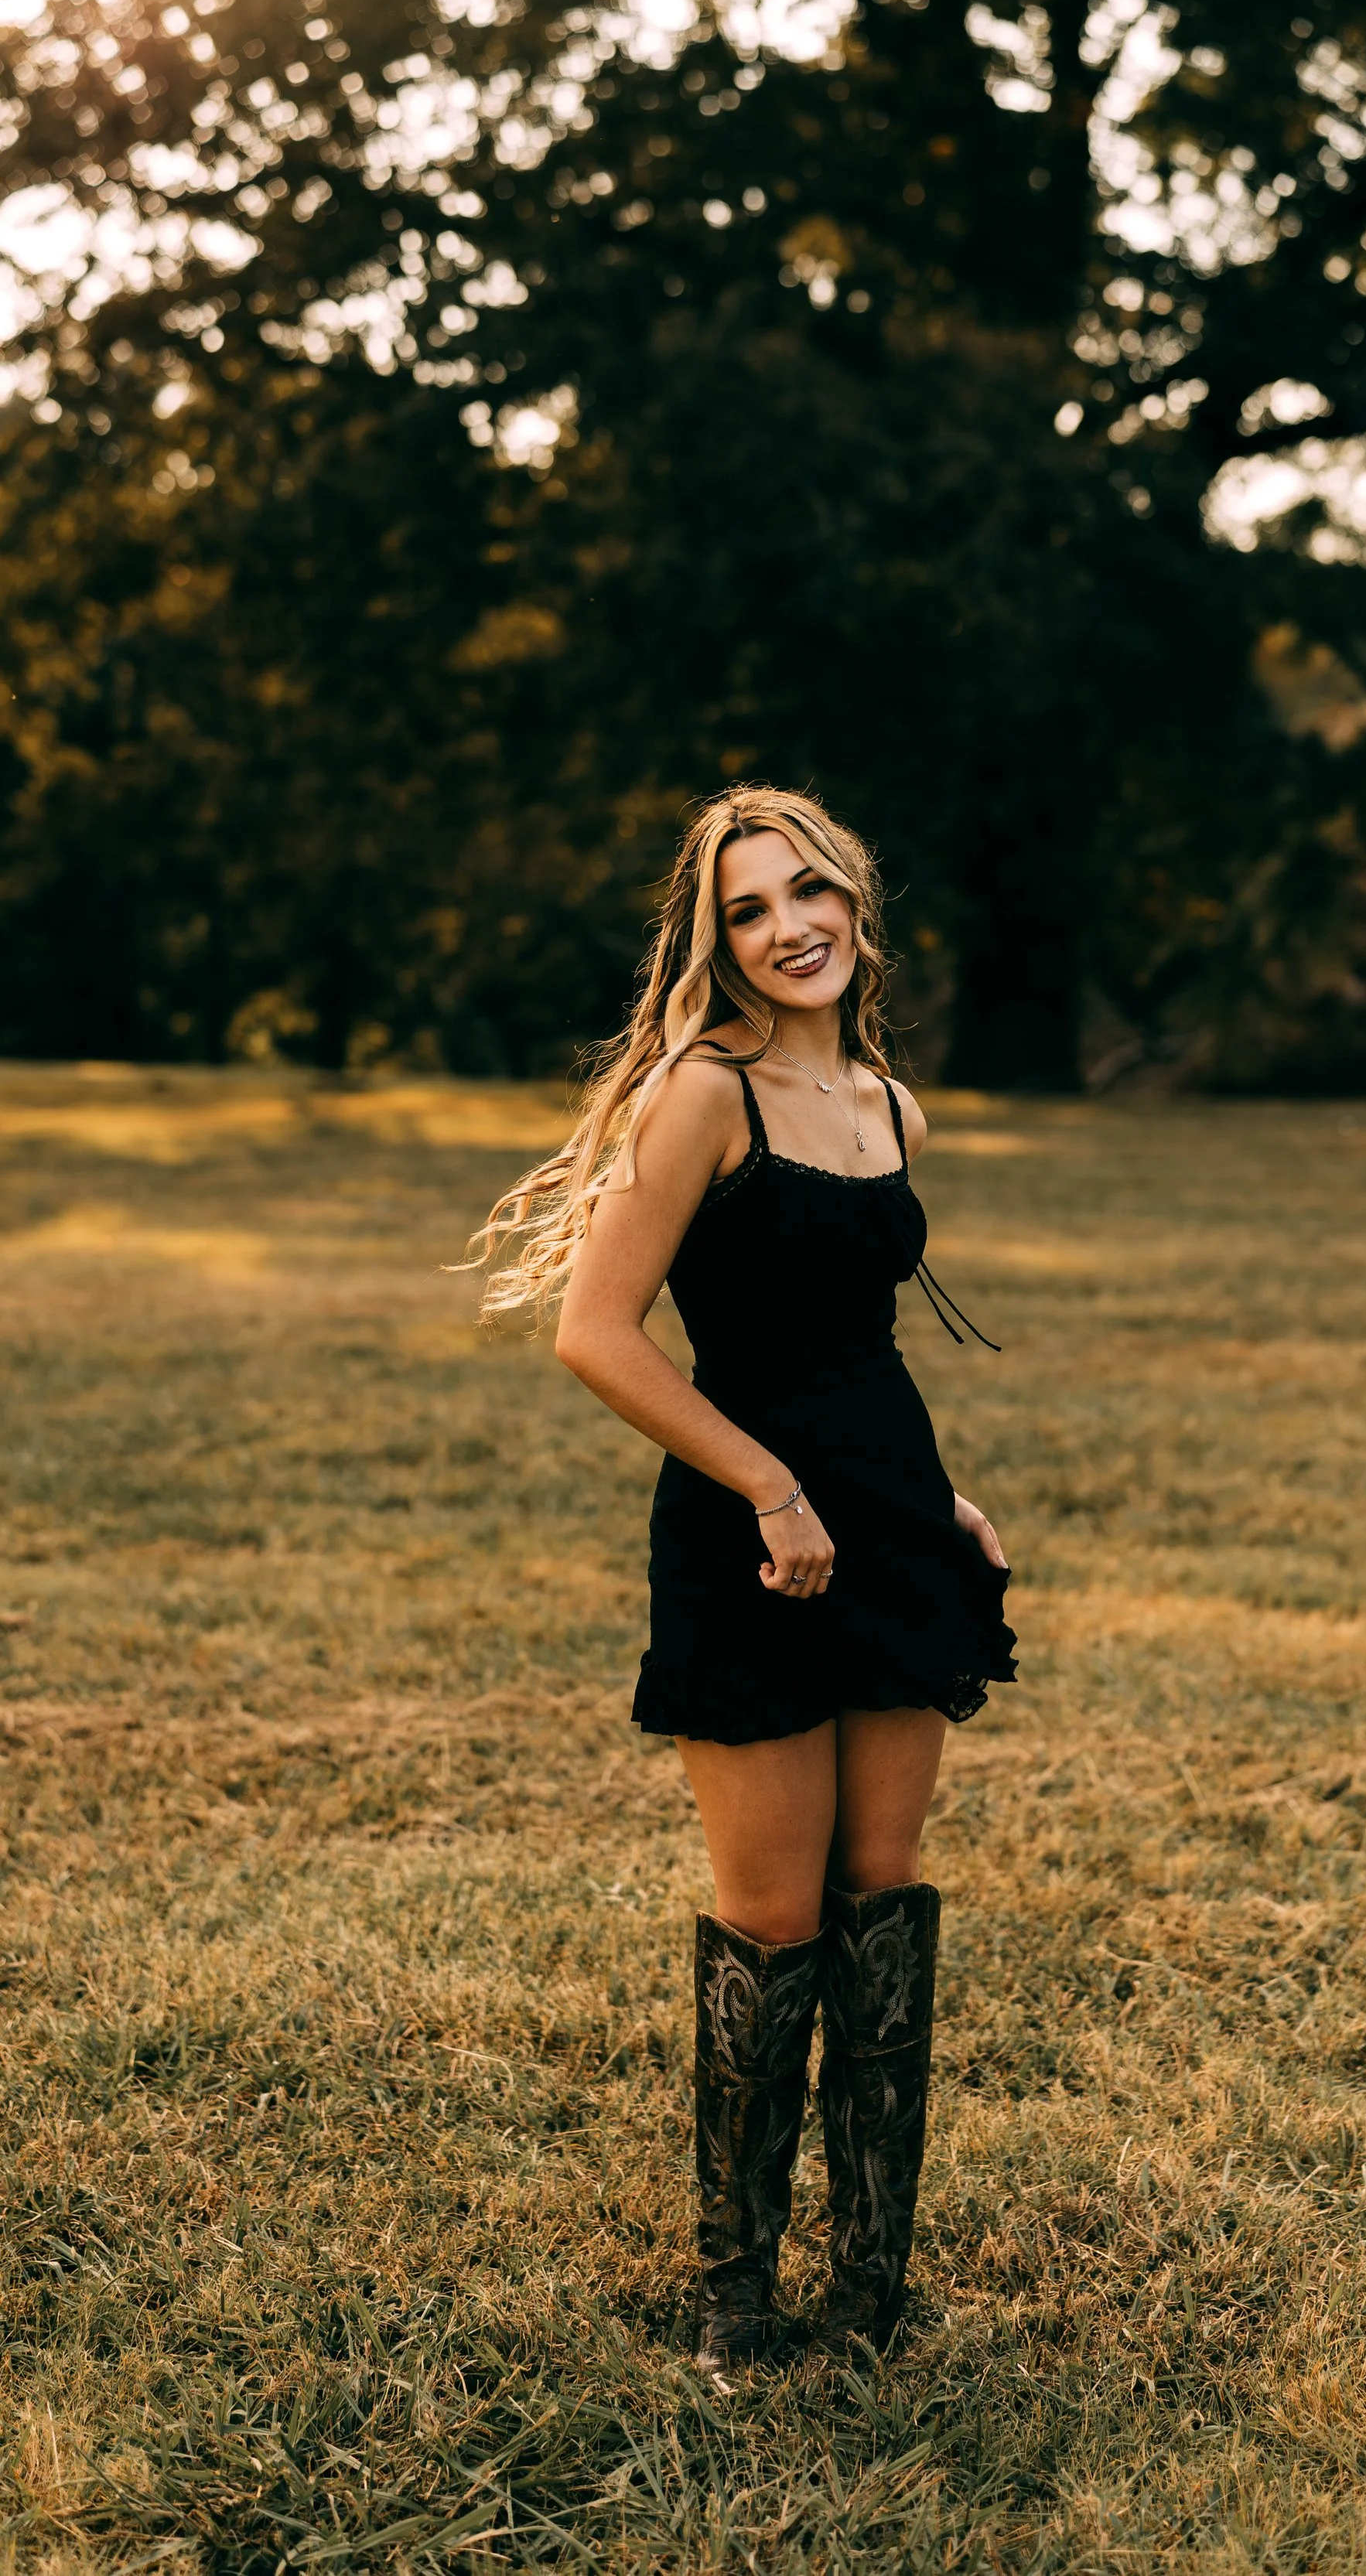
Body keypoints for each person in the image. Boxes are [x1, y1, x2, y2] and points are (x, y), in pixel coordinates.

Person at [470, 786, 1015, 2370]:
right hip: (747, 1534)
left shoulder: (883, 1101)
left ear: (855, 897)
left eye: (808, 893)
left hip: (891, 1527)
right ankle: (737, 2300)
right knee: (772, 1919)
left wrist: (934, 1500)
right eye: (749, 910)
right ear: (714, 942)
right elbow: (596, 1334)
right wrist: (770, 1487)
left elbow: (850, 1350)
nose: (789, 929)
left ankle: (869, 2292)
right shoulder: (699, 1096)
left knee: (881, 1904)